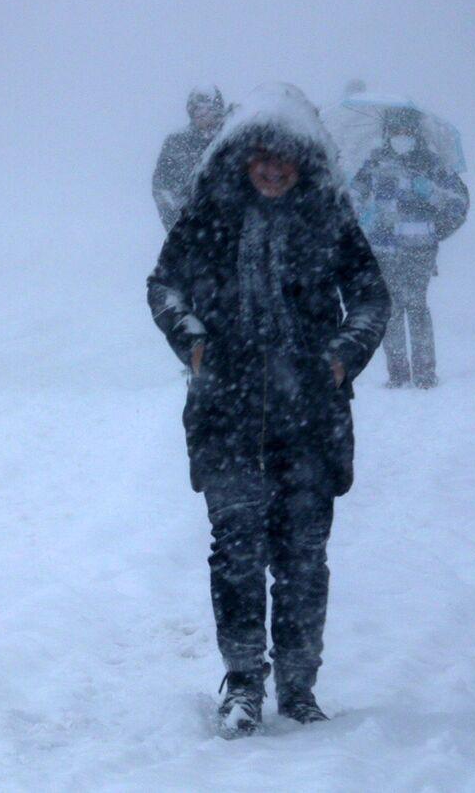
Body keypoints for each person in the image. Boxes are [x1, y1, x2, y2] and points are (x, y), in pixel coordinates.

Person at [147, 83, 390, 738]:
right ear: (243, 157)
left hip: (310, 421)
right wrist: (192, 339)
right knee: (236, 552)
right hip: (227, 417)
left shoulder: (330, 219)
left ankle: (300, 686)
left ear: (304, 161)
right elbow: (163, 285)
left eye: (287, 158)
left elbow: (371, 298)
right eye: (263, 156)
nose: (274, 167)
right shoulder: (208, 217)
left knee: (304, 557)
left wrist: (344, 352)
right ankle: (245, 683)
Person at [350, 107, 468, 388]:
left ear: (415, 133)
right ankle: (398, 373)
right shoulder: (375, 163)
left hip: (419, 249)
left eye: (406, 132)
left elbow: (458, 203)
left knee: (416, 306)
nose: (401, 137)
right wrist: (363, 214)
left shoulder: (431, 164)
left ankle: (425, 372)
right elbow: (353, 196)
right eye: (395, 132)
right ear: (387, 134)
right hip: (383, 249)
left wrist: (431, 193)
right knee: (390, 310)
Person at [152, 85, 228, 232]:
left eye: (206, 108)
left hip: (229, 232)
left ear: (217, 109)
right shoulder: (176, 142)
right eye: (194, 108)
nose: (199, 113)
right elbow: (161, 189)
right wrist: (177, 225)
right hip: (188, 232)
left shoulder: (231, 138)